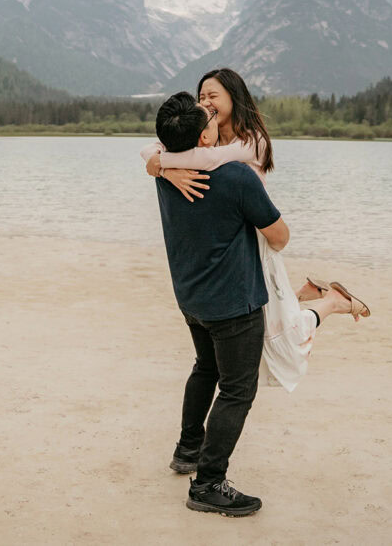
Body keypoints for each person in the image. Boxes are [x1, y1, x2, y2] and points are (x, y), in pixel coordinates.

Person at [152, 92, 367, 517]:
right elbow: (280, 236)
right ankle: (208, 483)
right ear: (205, 137)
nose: (214, 117)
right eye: (208, 118)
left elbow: (155, 156)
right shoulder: (235, 177)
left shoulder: (165, 170)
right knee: (237, 389)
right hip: (232, 304)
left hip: (190, 297)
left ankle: (186, 452)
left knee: (206, 368)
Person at [142, 69, 370, 392]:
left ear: (234, 99)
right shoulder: (206, 134)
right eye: (201, 97)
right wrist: (159, 163)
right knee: (268, 326)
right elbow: (152, 147)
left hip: (258, 241)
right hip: (235, 246)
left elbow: (206, 160)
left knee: (282, 338)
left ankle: (331, 300)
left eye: (213, 97)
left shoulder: (252, 142)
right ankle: (303, 292)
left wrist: (162, 165)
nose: (205, 103)